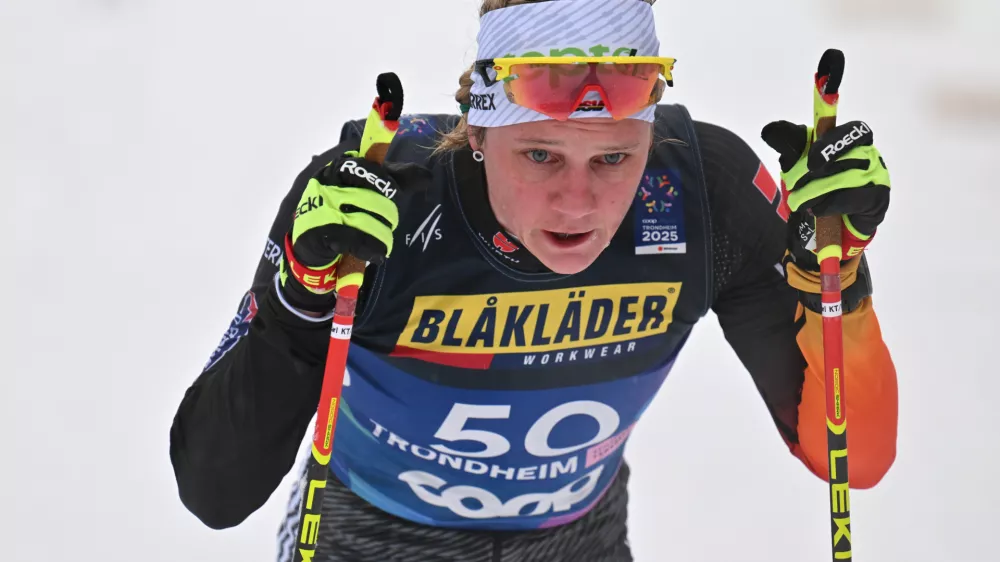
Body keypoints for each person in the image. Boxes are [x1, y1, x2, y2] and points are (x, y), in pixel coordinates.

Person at [169, 0, 898, 560]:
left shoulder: (704, 191)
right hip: (370, 539)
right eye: (541, 156)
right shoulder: (385, 196)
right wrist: (301, 297)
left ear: (651, 133)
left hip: (580, 543)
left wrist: (839, 280)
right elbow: (215, 489)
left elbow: (855, 460)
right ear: (478, 131)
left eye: (614, 159)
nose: (577, 202)